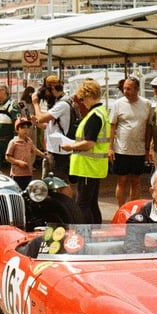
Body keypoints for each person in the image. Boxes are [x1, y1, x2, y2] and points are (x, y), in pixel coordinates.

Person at [61, 78, 110, 223]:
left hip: (88, 166)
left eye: (82, 99)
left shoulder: (94, 116)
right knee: (92, 203)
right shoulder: (101, 112)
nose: (82, 102)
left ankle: (85, 234)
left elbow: (89, 143)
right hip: (94, 166)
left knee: (82, 204)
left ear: (88, 96)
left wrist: (70, 146)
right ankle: (96, 231)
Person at [109, 76, 152, 206]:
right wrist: (110, 147)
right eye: (124, 88)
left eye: (128, 88)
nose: (125, 91)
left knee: (136, 180)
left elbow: (149, 127)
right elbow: (112, 126)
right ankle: (121, 208)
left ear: (137, 89)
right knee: (121, 180)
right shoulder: (118, 104)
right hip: (121, 149)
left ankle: (134, 208)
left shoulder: (146, 104)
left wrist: (147, 148)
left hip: (138, 150)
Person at [32, 76, 73, 191]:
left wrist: (35, 103)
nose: (45, 95)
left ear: (53, 89)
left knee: (61, 182)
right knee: (52, 181)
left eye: (46, 91)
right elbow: (49, 126)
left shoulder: (62, 104)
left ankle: (66, 205)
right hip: (54, 149)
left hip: (59, 150)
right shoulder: (61, 102)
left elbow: (41, 118)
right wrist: (36, 123)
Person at [5, 118, 46, 189]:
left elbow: (34, 150)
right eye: (23, 128)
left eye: (27, 128)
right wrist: (18, 162)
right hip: (17, 174)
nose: (26, 130)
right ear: (17, 130)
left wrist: (44, 155)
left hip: (28, 172)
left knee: (27, 190)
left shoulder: (29, 141)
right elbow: (7, 157)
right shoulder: (13, 142)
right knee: (18, 190)